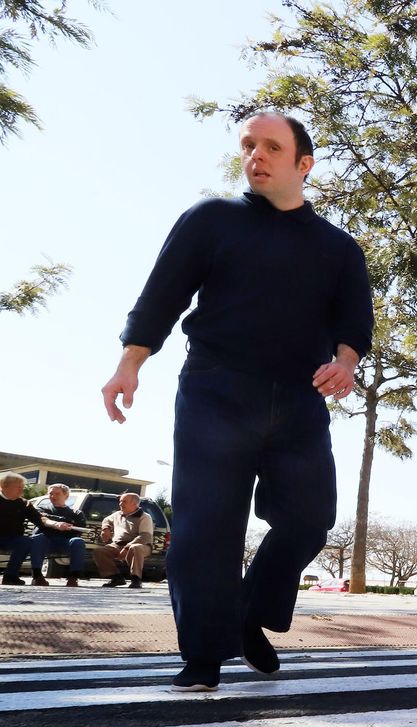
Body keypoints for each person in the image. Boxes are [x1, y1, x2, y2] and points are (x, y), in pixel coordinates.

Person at [103, 112, 374, 693]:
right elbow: (160, 298)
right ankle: (202, 656)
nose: (256, 155)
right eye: (249, 145)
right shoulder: (210, 220)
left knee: (309, 518)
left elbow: (354, 327)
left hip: (299, 403)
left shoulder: (339, 249)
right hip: (215, 391)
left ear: (304, 164)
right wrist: (129, 364)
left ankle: (250, 611)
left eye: (271, 147)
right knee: (206, 527)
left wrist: (345, 365)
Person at [30, 483, 90, 587]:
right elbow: (42, 520)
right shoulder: (42, 508)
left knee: (78, 541)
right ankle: (37, 576)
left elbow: (78, 530)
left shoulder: (76, 513)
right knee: (38, 539)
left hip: (65, 542)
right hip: (46, 541)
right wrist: (59, 523)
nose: (53, 496)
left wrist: (60, 524)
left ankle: (73, 578)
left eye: (57, 494)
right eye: (51, 494)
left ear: (66, 496)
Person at [92, 493, 154, 588]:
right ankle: (116, 578)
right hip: (117, 545)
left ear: (135, 504)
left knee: (135, 548)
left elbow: (145, 537)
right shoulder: (117, 514)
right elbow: (106, 520)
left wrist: (126, 547)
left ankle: (136, 579)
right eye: (120, 501)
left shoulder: (144, 517)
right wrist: (105, 529)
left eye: (124, 501)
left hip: (141, 545)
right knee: (99, 552)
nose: (120, 504)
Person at [0, 472, 45, 586]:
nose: (21, 491)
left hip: (12, 539)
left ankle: (10, 576)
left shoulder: (23, 503)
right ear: (4, 486)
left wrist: (56, 524)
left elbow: (39, 519)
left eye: (22, 488)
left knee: (26, 541)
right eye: (18, 487)